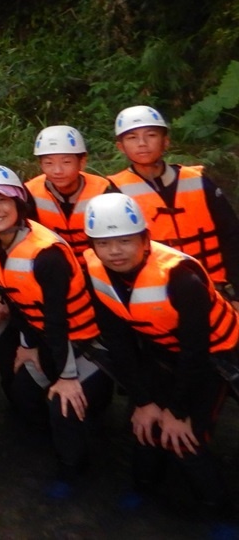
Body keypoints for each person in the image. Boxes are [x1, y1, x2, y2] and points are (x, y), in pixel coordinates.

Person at [83, 193, 239, 518]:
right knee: (143, 426)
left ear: (145, 239)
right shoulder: (97, 272)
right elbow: (118, 341)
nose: (114, 251)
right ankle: (144, 487)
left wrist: (177, 411)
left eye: (125, 241)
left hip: (215, 357)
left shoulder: (182, 277)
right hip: (162, 353)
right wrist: (145, 401)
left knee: (184, 439)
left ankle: (219, 509)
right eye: (105, 243)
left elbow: (196, 352)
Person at [0, 166, 111, 488]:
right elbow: (20, 299)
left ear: (19, 202)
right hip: (48, 338)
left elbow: (57, 318)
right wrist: (28, 343)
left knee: (62, 405)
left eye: (2, 200)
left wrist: (66, 376)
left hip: (85, 342)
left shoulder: (47, 254)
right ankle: (48, 453)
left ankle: (73, 471)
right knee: (23, 394)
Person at [108, 105, 239, 290]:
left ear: (166, 141)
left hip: (214, 286)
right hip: (158, 290)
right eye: (132, 137)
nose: (142, 143)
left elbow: (231, 235)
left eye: (151, 135)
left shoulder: (198, 181)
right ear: (120, 147)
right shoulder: (115, 191)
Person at [25, 125, 116, 262]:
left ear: (82, 162)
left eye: (66, 162)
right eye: (49, 163)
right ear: (41, 164)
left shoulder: (104, 191)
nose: (57, 170)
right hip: (57, 267)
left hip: (98, 265)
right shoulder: (29, 192)